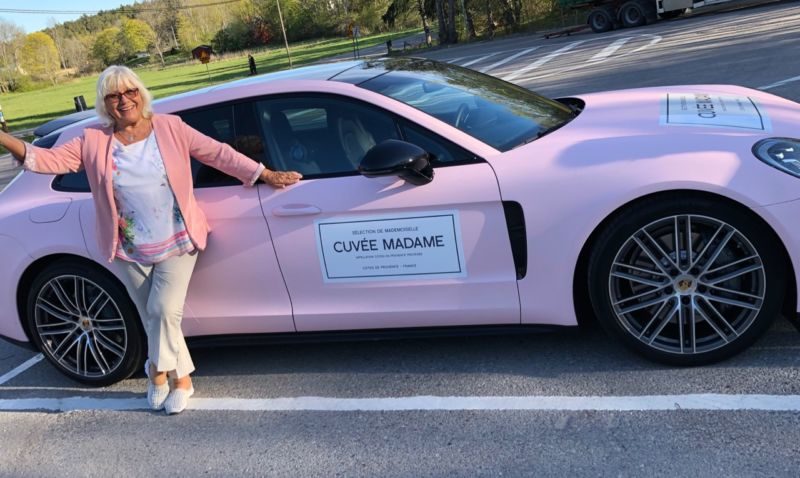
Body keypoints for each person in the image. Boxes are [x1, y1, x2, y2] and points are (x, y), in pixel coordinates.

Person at [0, 65, 302, 414]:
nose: (124, 100)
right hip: (128, 246)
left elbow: (217, 153)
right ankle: (182, 379)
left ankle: (157, 371)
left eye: (130, 91)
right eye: (114, 95)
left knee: (162, 309)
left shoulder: (170, 127)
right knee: (152, 317)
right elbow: (46, 159)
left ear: (141, 94)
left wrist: (263, 173)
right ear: (104, 103)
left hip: (178, 238)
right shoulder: (93, 140)